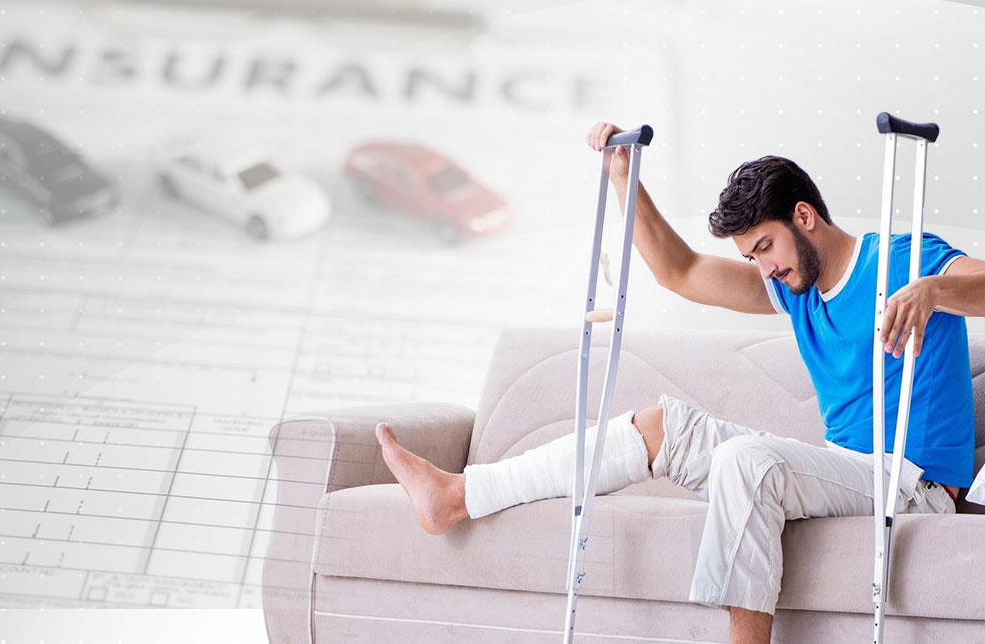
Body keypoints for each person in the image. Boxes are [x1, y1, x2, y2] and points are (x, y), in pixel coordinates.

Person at [374, 122, 985, 644]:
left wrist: (934, 290)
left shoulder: (905, 258)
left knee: (749, 460)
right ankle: (459, 495)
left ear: (805, 217)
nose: (764, 267)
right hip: (846, 470)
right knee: (659, 427)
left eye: (767, 246)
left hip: (915, 483)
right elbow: (680, 269)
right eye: (752, 257)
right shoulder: (792, 288)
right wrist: (623, 179)